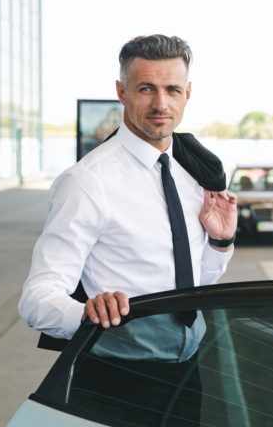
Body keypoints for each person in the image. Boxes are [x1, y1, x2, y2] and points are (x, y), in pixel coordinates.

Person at [18, 34, 237, 352]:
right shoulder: (87, 182)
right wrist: (86, 314)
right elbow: (37, 297)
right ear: (122, 92)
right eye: (146, 88)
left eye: (172, 90)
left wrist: (220, 242)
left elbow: (196, 286)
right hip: (117, 368)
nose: (161, 104)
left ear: (187, 94)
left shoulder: (193, 173)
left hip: (191, 365)